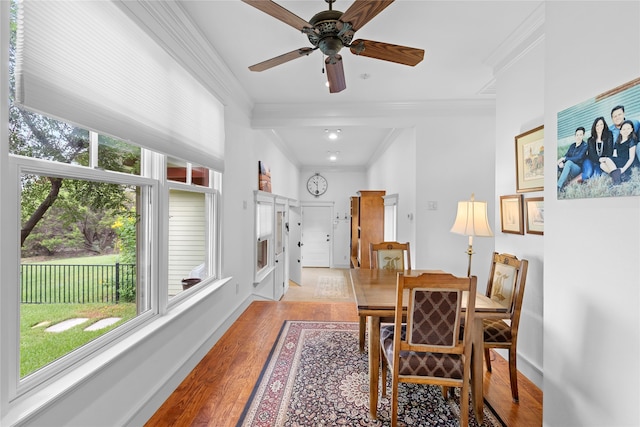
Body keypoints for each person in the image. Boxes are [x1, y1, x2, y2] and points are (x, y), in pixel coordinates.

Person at [599, 119, 637, 185]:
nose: (626, 131)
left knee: (607, 159)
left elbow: (631, 158)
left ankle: (617, 181)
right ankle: (621, 176)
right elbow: (615, 155)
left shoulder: (631, 141)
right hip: (620, 160)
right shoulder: (618, 141)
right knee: (602, 165)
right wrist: (609, 162)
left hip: (627, 162)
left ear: (631, 130)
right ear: (621, 131)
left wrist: (623, 169)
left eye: (628, 128)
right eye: (624, 129)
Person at [557, 127, 588, 191]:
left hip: (577, 169)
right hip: (569, 168)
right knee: (558, 163)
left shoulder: (585, 146)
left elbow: (579, 157)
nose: (578, 137)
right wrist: (562, 162)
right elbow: (566, 155)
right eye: (577, 135)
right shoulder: (572, 146)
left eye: (580, 135)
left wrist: (565, 159)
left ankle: (558, 186)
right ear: (575, 136)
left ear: (583, 135)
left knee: (568, 162)